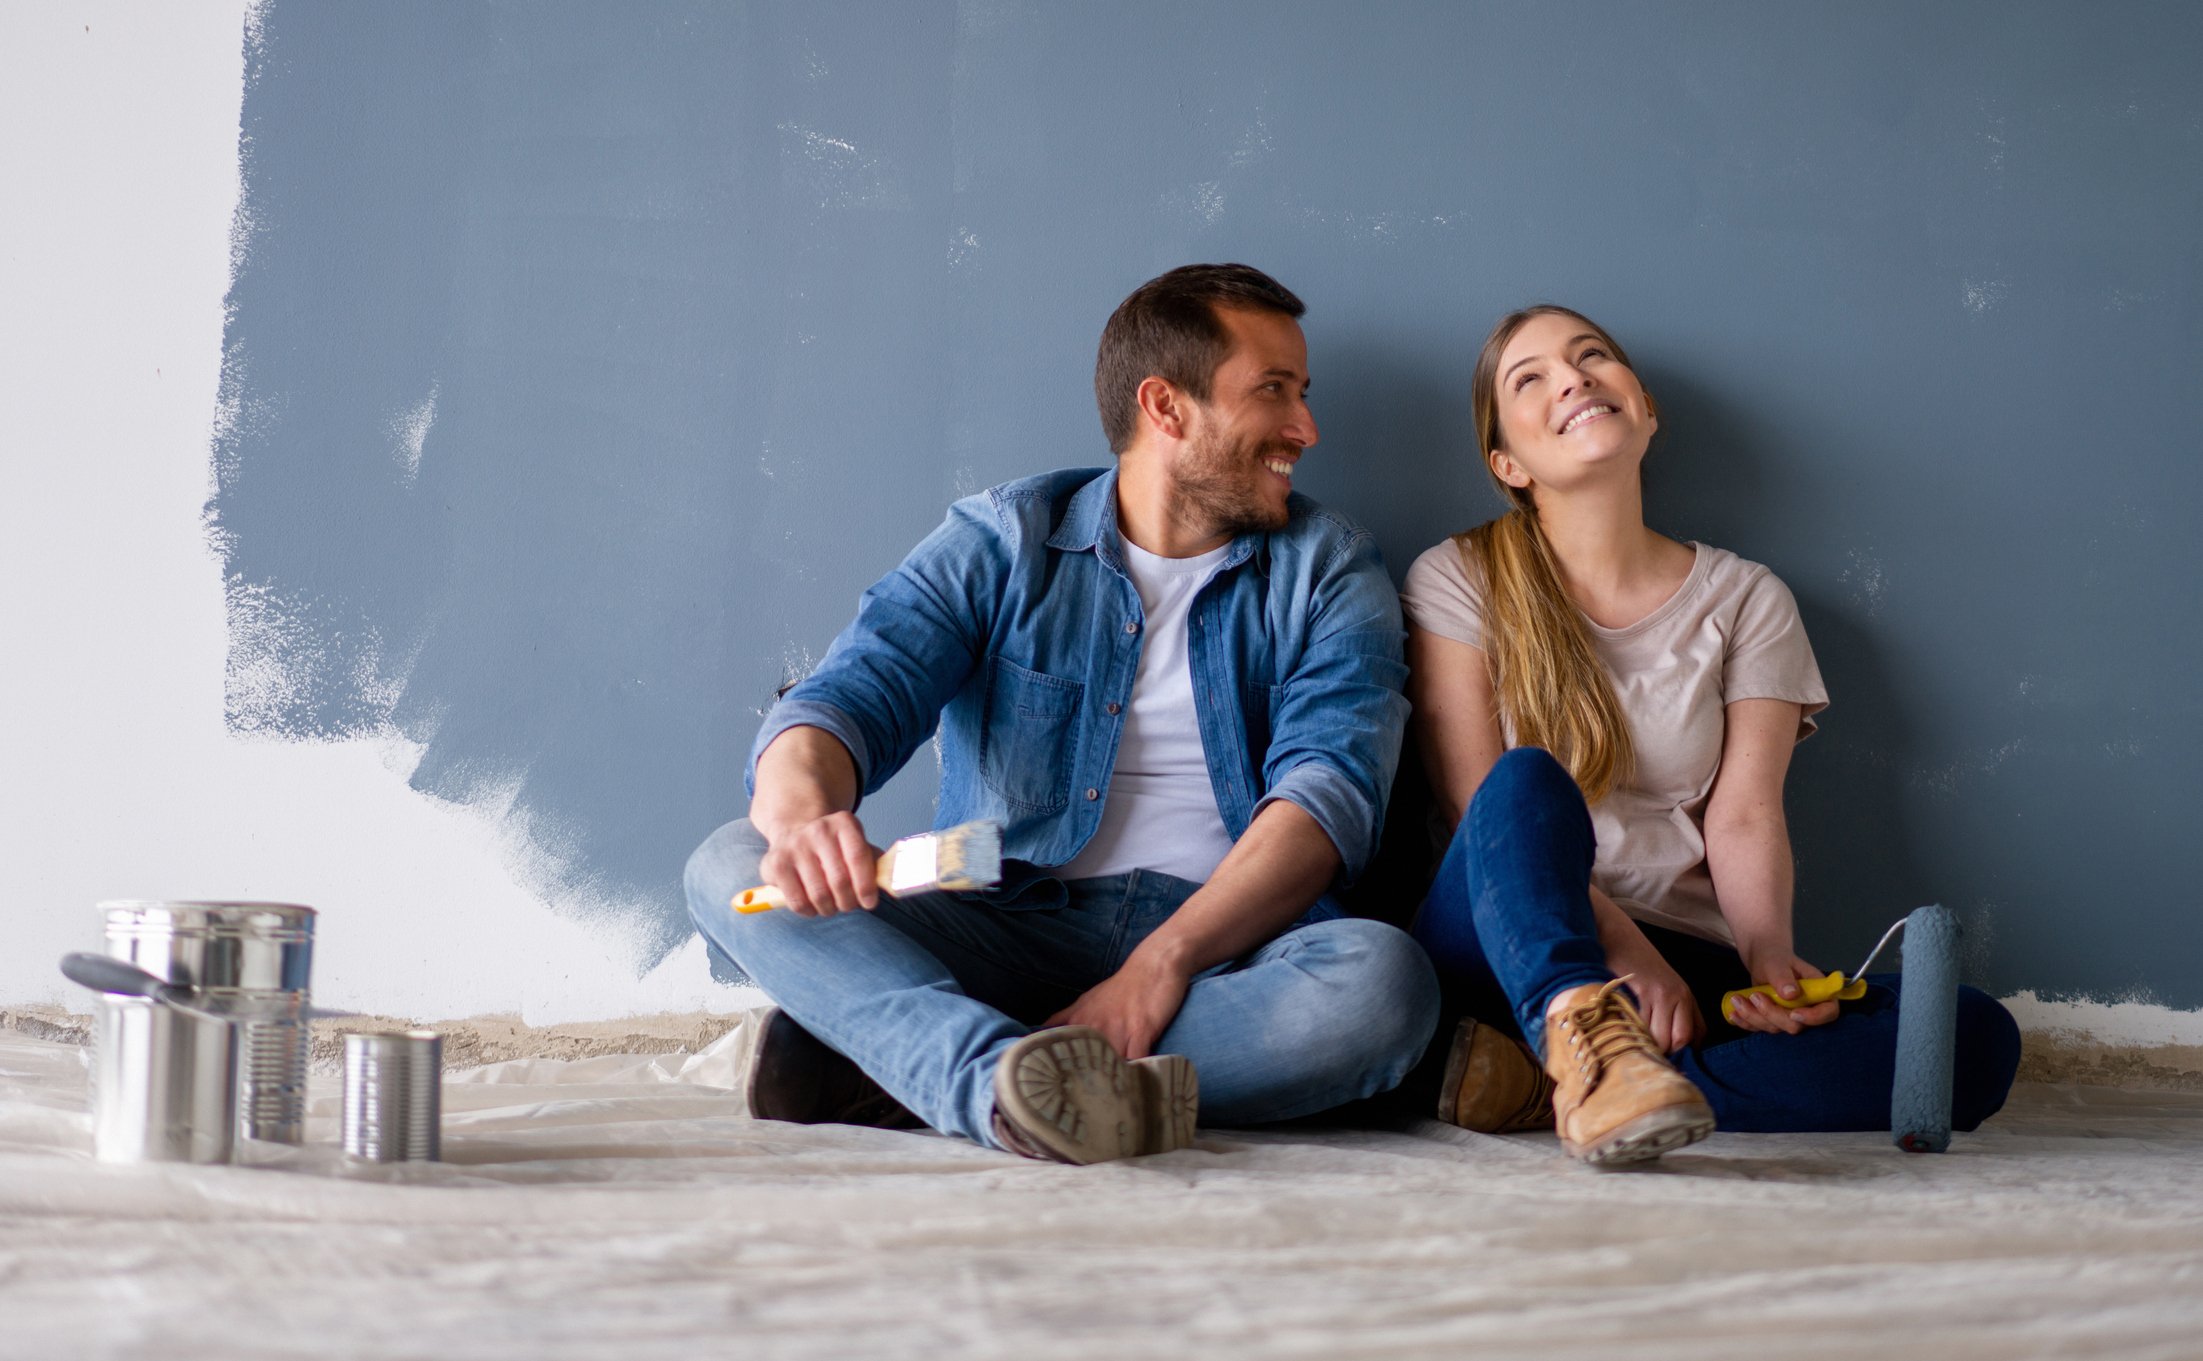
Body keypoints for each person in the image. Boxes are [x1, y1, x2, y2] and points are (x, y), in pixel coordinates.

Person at [684, 264, 1439, 1165]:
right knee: (732, 865)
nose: (1305, 429)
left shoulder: (1331, 567)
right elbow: (850, 693)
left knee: (1382, 988)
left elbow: (1329, 797)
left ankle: (900, 1067)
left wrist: (1159, 963)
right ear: (1165, 406)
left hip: (1230, 950)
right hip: (998, 913)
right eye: (1272, 392)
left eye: (1301, 394)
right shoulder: (1004, 538)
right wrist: (802, 815)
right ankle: (997, 1085)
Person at [1399, 305, 2021, 1166]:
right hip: (1510, 949)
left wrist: (1768, 960)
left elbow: (1743, 814)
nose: (1573, 378)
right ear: (1506, 462)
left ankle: (1560, 1088)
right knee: (1524, 781)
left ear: (1644, 408)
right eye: (1529, 378)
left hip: (1687, 968)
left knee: (1970, 1036)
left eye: (1591, 358)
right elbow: (1474, 802)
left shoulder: (1746, 598)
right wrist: (1617, 951)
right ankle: (1589, 1043)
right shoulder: (1457, 576)